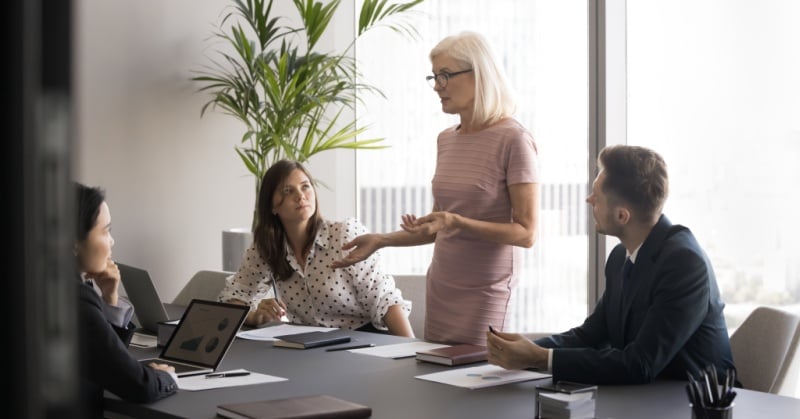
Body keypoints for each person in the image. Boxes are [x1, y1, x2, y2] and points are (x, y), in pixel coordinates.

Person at [331, 31, 539, 346]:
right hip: (443, 285)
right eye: (434, 76)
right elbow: (439, 226)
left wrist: (455, 221)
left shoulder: (514, 139)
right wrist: (381, 240)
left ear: (479, 74)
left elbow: (526, 233)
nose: (438, 86)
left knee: (474, 381)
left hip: (485, 290)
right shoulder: (447, 139)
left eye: (445, 75)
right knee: (437, 378)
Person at [486, 145, 736, 384]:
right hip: (644, 399)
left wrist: (540, 359)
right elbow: (592, 335)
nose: (589, 199)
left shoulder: (684, 264)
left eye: (597, 196)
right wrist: (524, 349)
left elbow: (641, 364)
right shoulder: (620, 257)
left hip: (692, 404)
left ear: (622, 216)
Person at [218, 160, 414, 337]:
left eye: (305, 186)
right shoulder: (267, 247)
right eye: (288, 191)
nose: (301, 196)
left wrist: (411, 352)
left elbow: (384, 299)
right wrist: (255, 316)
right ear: (272, 206)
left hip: (363, 338)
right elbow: (235, 296)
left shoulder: (344, 234)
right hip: (306, 347)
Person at [75, 183, 177, 417]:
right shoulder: (76, 299)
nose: (112, 241)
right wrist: (166, 377)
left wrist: (110, 298)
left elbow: (104, 362)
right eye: (105, 231)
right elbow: (139, 387)